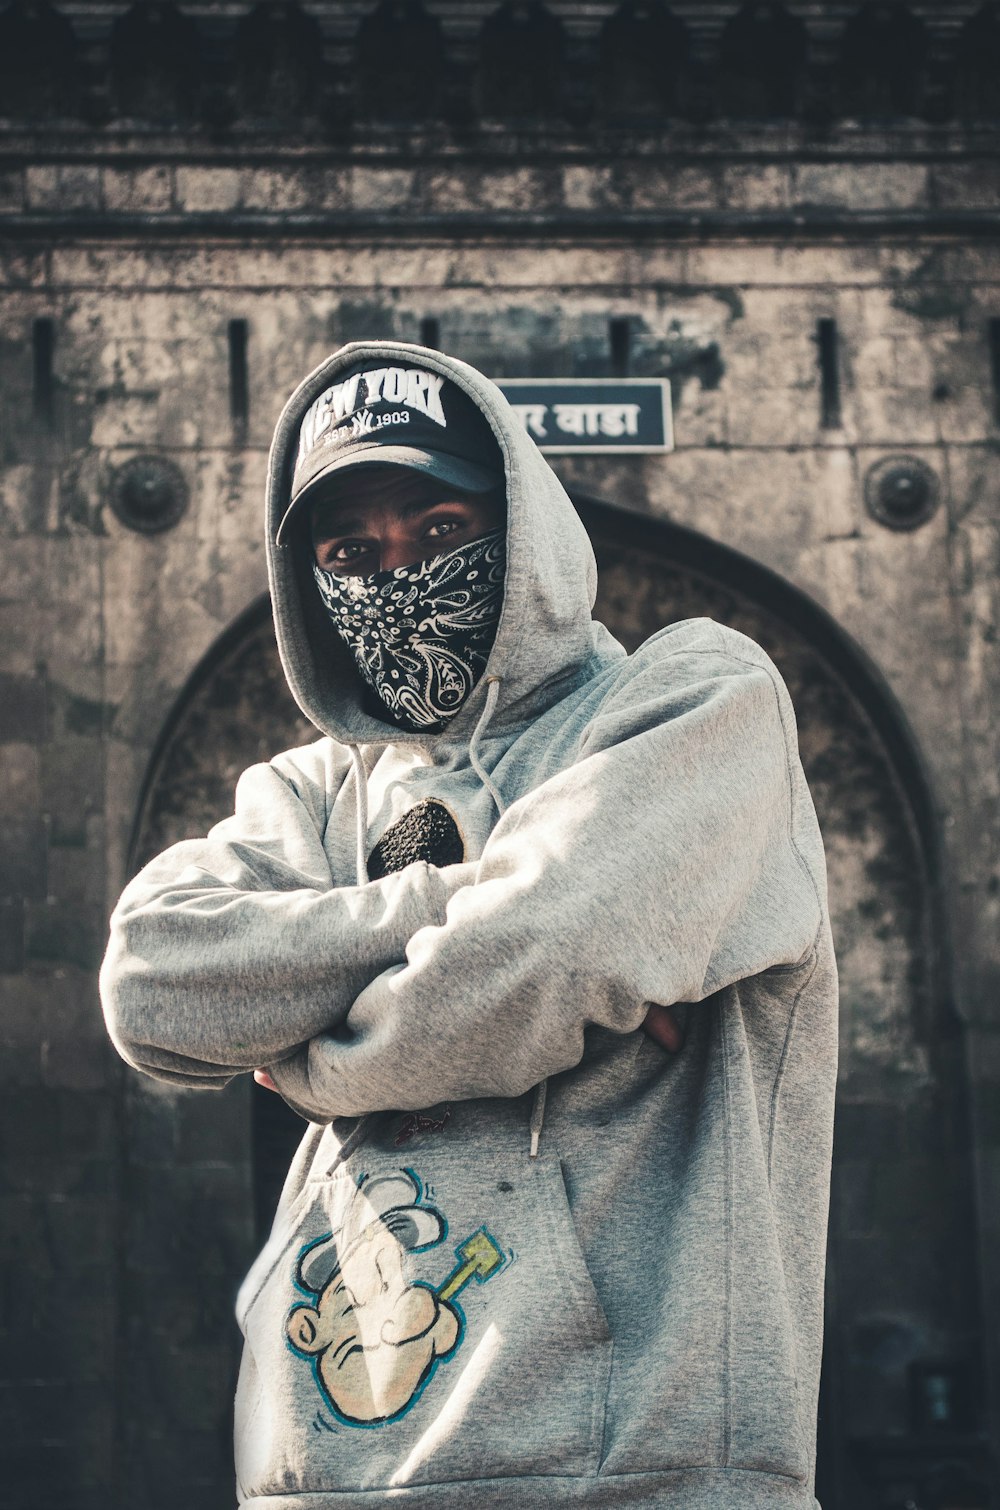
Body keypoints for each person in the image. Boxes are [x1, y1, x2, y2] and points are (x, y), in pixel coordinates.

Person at [100, 342, 838, 1508]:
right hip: (325, 1475)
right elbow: (151, 982)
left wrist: (300, 1055)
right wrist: (469, 894)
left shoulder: (695, 701)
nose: (396, 573)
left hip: (634, 1468)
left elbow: (536, 957)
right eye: (350, 553)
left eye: (439, 530)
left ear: (523, 529)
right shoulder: (311, 795)